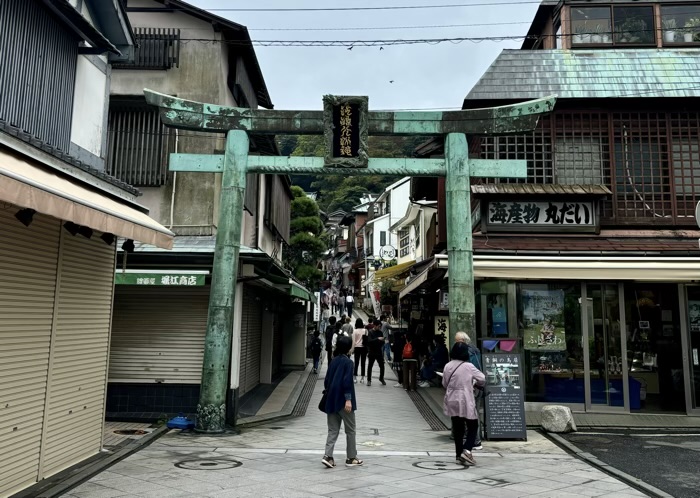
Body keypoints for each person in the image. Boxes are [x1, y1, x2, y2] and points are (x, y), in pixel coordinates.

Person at [321, 335, 363, 468]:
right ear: (348, 347)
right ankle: (351, 458)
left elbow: (327, 380)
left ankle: (328, 456)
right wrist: (348, 400)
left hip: (331, 400)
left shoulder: (333, 361)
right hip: (344, 401)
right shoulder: (348, 362)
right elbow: (347, 383)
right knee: (350, 430)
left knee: (333, 430)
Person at [443, 341, 485, 466]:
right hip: (466, 398)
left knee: (458, 427)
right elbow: (482, 378)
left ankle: (458, 455)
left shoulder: (448, 366)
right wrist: (475, 383)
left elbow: (444, 384)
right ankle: (466, 450)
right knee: (473, 425)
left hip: (452, 398)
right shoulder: (469, 366)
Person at [455, 331, 484, 450]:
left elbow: (470, 371)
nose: (456, 344)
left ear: (462, 341)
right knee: (472, 413)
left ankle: (476, 441)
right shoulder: (475, 350)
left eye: (457, 341)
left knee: (471, 414)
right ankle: (472, 438)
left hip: (471, 387)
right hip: (474, 385)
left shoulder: (467, 353)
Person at [366, 319, 386, 386]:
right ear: (375, 325)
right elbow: (369, 341)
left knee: (382, 365)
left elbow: (382, 341)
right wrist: (377, 339)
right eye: (378, 326)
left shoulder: (380, 332)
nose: (379, 327)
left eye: (380, 326)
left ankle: (381, 378)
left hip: (379, 351)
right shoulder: (370, 332)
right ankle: (369, 380)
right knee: (370, 366)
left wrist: (381, 341)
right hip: (372, 351)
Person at [352, 318, 368, 384]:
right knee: (363, 363)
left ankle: (355, 377)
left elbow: (353, 341)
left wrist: (352, 349)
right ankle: (362, 378)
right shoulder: (365, 330)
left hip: (357, 347)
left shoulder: (354, 331)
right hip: (363, 348)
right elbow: (367, 340)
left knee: (356, 363)